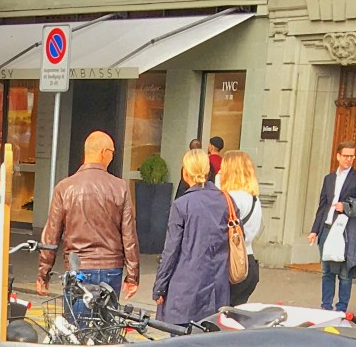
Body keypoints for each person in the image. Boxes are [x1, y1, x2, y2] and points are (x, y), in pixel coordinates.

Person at [36, 130, 139, 323]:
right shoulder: (120, 187)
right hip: (111, 268)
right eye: (112, 152)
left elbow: (51, 236)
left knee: (77, 331)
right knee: (105, 331)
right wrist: (132, 276)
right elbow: (129, 235)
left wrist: (43, 273)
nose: (112, 156)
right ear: (103, 152)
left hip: (78, 268)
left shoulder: (65, 187)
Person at [152, 148, 235, 326]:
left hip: (186, 289)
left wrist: (160, 287)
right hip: (217, 289)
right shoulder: (226, 201)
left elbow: (171, 250)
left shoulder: (182, 204)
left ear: (185, 171)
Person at [308, 141, 356, 315]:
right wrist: (315, 230)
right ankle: (326, 307)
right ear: (338, 156)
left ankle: (341, 309)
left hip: (346, 231)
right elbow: (322, 206)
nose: (349, 159)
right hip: (327, 229)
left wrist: (346, 206)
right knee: (327, 271)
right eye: (345, 156)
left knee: (345, 273)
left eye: (352, 156)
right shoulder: (329, 179)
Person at [218, 150, 263, 306]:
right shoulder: (254, 199)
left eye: (222, 168)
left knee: (219, 319)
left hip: (230, 264)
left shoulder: (229, 198)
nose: (219, 171)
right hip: (248, 262)